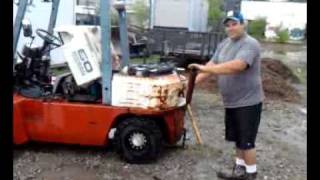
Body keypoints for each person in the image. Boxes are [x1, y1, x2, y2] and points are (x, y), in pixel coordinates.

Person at [188, 11, 264, 180]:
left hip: (248, 102)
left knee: (247, 141)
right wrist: (190, 83)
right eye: (228, 25)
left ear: (244, 24)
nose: (230, 28)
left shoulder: (250, 44)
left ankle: (251, 175)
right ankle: (239, 170)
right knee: (237, 139)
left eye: (234, 24)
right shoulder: (224, 44)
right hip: (231, 102)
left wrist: (205, 68)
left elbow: (237, 66)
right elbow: (212, 64)